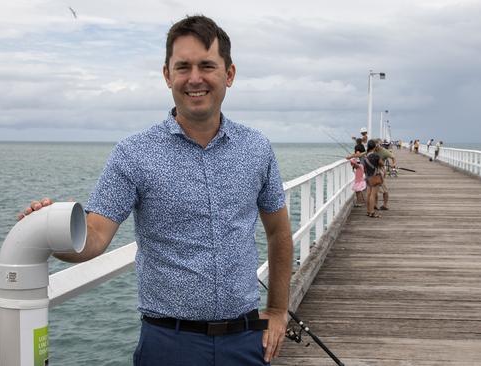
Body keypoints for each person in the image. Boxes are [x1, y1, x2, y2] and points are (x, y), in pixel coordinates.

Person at [19, 15, 292, 366]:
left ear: (229, 74)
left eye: (207, 65)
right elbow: (96, 236)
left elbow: (279, 232)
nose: (195, 78)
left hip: (245, 340)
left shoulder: (257, 148)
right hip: (168, 344)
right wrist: (49, 230)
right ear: (167, 75)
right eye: (183, 67)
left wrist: (278, 309)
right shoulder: (134, 153)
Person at [361, 140, 383, 218]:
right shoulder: (376, 156)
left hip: (368, 177)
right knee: (373, 195)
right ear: (374, 147)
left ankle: (368, 211)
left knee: (368, 194)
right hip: (375, 177)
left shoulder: (365, 156)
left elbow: (363, 167)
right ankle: (372, 212)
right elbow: (381, 164)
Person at [373, 139, 396, 210]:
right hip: (373, 171)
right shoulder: (372, 150)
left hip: (380, 172)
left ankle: (385, 205)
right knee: (374, 189)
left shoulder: (384, 151)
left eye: (376, 146)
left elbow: (393, 157)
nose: (375, 148)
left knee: (384, 189)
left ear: (378, 145)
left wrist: (393, 164)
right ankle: (375, 204)